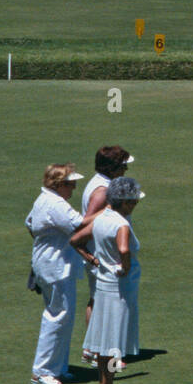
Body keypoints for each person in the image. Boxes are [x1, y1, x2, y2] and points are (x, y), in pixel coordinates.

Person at [72, 176, 144, 384]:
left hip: (103, 286)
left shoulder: (102, 218)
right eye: (133, 202)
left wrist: (94, 260)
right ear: (125, 202)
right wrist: (124, 267)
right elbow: (124, 249)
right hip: (118, 290)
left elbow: (76, 240)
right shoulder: (121, 223)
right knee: (114, 345)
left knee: (105, 344)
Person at [26, 164, 100, 384]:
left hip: (50, 264)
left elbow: (29, 224)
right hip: (55, 267)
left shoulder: (44, 199)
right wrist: (108, 211)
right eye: (71, 184)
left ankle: (57, 368)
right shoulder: (56, 204)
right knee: (57, 316)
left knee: (63, 316)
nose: (75, 188)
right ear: (58, 185)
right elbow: (79, 224)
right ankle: (41, 371)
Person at [80, 146, 134, 363]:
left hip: (100, 252)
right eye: (122, 166)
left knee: (97, 300)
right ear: (112, 168)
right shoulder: (103, 190)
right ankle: (99, 352)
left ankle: (92, 349)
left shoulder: (103, 184)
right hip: (102, 254)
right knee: (105, 303)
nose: (126, 169)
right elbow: (87, 221)